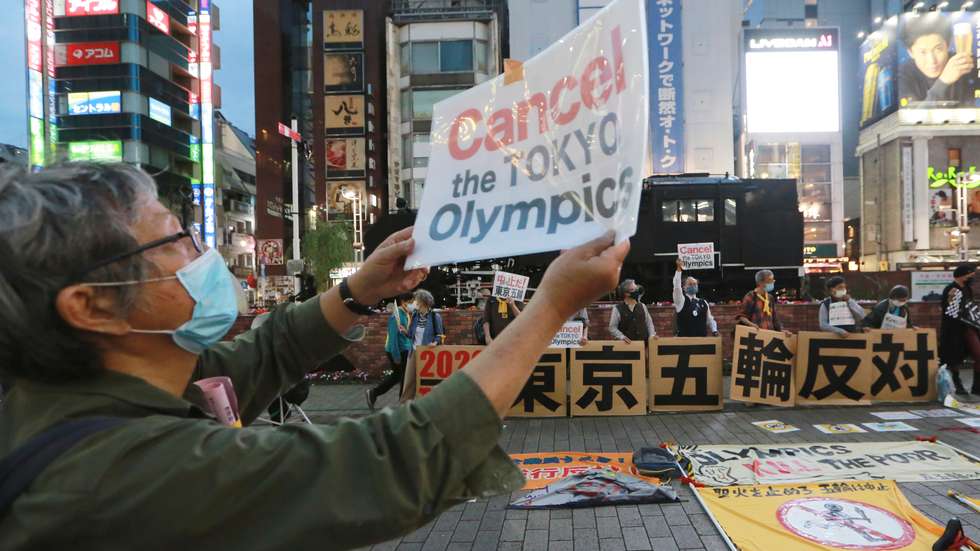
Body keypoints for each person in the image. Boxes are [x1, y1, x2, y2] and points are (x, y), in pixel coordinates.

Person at [0, 163, 629, 549]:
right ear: (91, 307)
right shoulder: (121, 475)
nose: (202, 256)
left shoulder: (113, 389)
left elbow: (266, 351)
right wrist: (551, 305)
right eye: (174, 242)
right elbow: (392, 461)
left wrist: (359, 290)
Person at [898, 15, 975, 106]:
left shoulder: (968, 65)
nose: (932, 61)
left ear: (947, 45)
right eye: (923, 52)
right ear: (910, 52)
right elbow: (914, 113)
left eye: (938, 49)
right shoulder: (903, 75)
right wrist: (943, 81)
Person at [366, 293, 413, 409]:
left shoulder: (406, 314)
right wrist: (396, 355)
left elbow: (406, 333)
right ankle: (403, 402)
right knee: (404, 377)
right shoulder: (395, 317)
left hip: (404, 349)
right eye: (410, 302)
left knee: (398, 376)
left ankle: (374, 393)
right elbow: (393, 338)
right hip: (398, 350)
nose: (413, 304)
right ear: (403, 302)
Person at [940, 264, 979, 395]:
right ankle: (958, 384)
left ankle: (976, 387)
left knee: (977, 354)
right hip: (954, 329)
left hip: (968, 327)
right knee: (954, 358)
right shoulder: (952, 290)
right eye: (970, 276)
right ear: (961, 276)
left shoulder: (967, 289)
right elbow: (952, 313)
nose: (972, 278)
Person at [672, 258, 718, 337]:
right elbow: (676, 286)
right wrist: (679, 269)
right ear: (684, 287)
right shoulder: (681, 300)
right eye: (690, 284)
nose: (693, 286)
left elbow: (710, 319)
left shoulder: (703, 302)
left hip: (702, 340)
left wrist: (715, 331)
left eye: (695, 284)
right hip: (684, 341)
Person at [735, 269, 791, 335]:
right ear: (760, 282)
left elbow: (775, 319)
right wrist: (751, 325)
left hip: (769, 335)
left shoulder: (770, 298)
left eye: (773, 280)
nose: (772, 282)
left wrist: (782, 330)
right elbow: (742, 316)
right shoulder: (751, 296)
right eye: (770, 280)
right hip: (756, 336)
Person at [608, 279, 656, 344]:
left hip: (644, 344)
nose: (637, 291)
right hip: (628, 346)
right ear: (626, 293)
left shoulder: (642, 306)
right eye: (634, 289)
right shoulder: (617, 309)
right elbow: (612, 327)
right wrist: (622, 337)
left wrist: (652, 336)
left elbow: (649, 323)